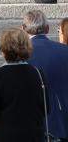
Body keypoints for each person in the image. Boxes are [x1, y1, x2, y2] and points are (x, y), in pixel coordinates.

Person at [0, 28, 46, 142]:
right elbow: (46, 107)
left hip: (7, 135)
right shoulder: (37, 72)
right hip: (34, 135)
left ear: (4, 49)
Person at [22, 9, 68, 140]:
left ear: (23, 29)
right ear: (47, 28)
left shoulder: (21, 55)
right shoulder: (65, 50)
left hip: (36, 126)